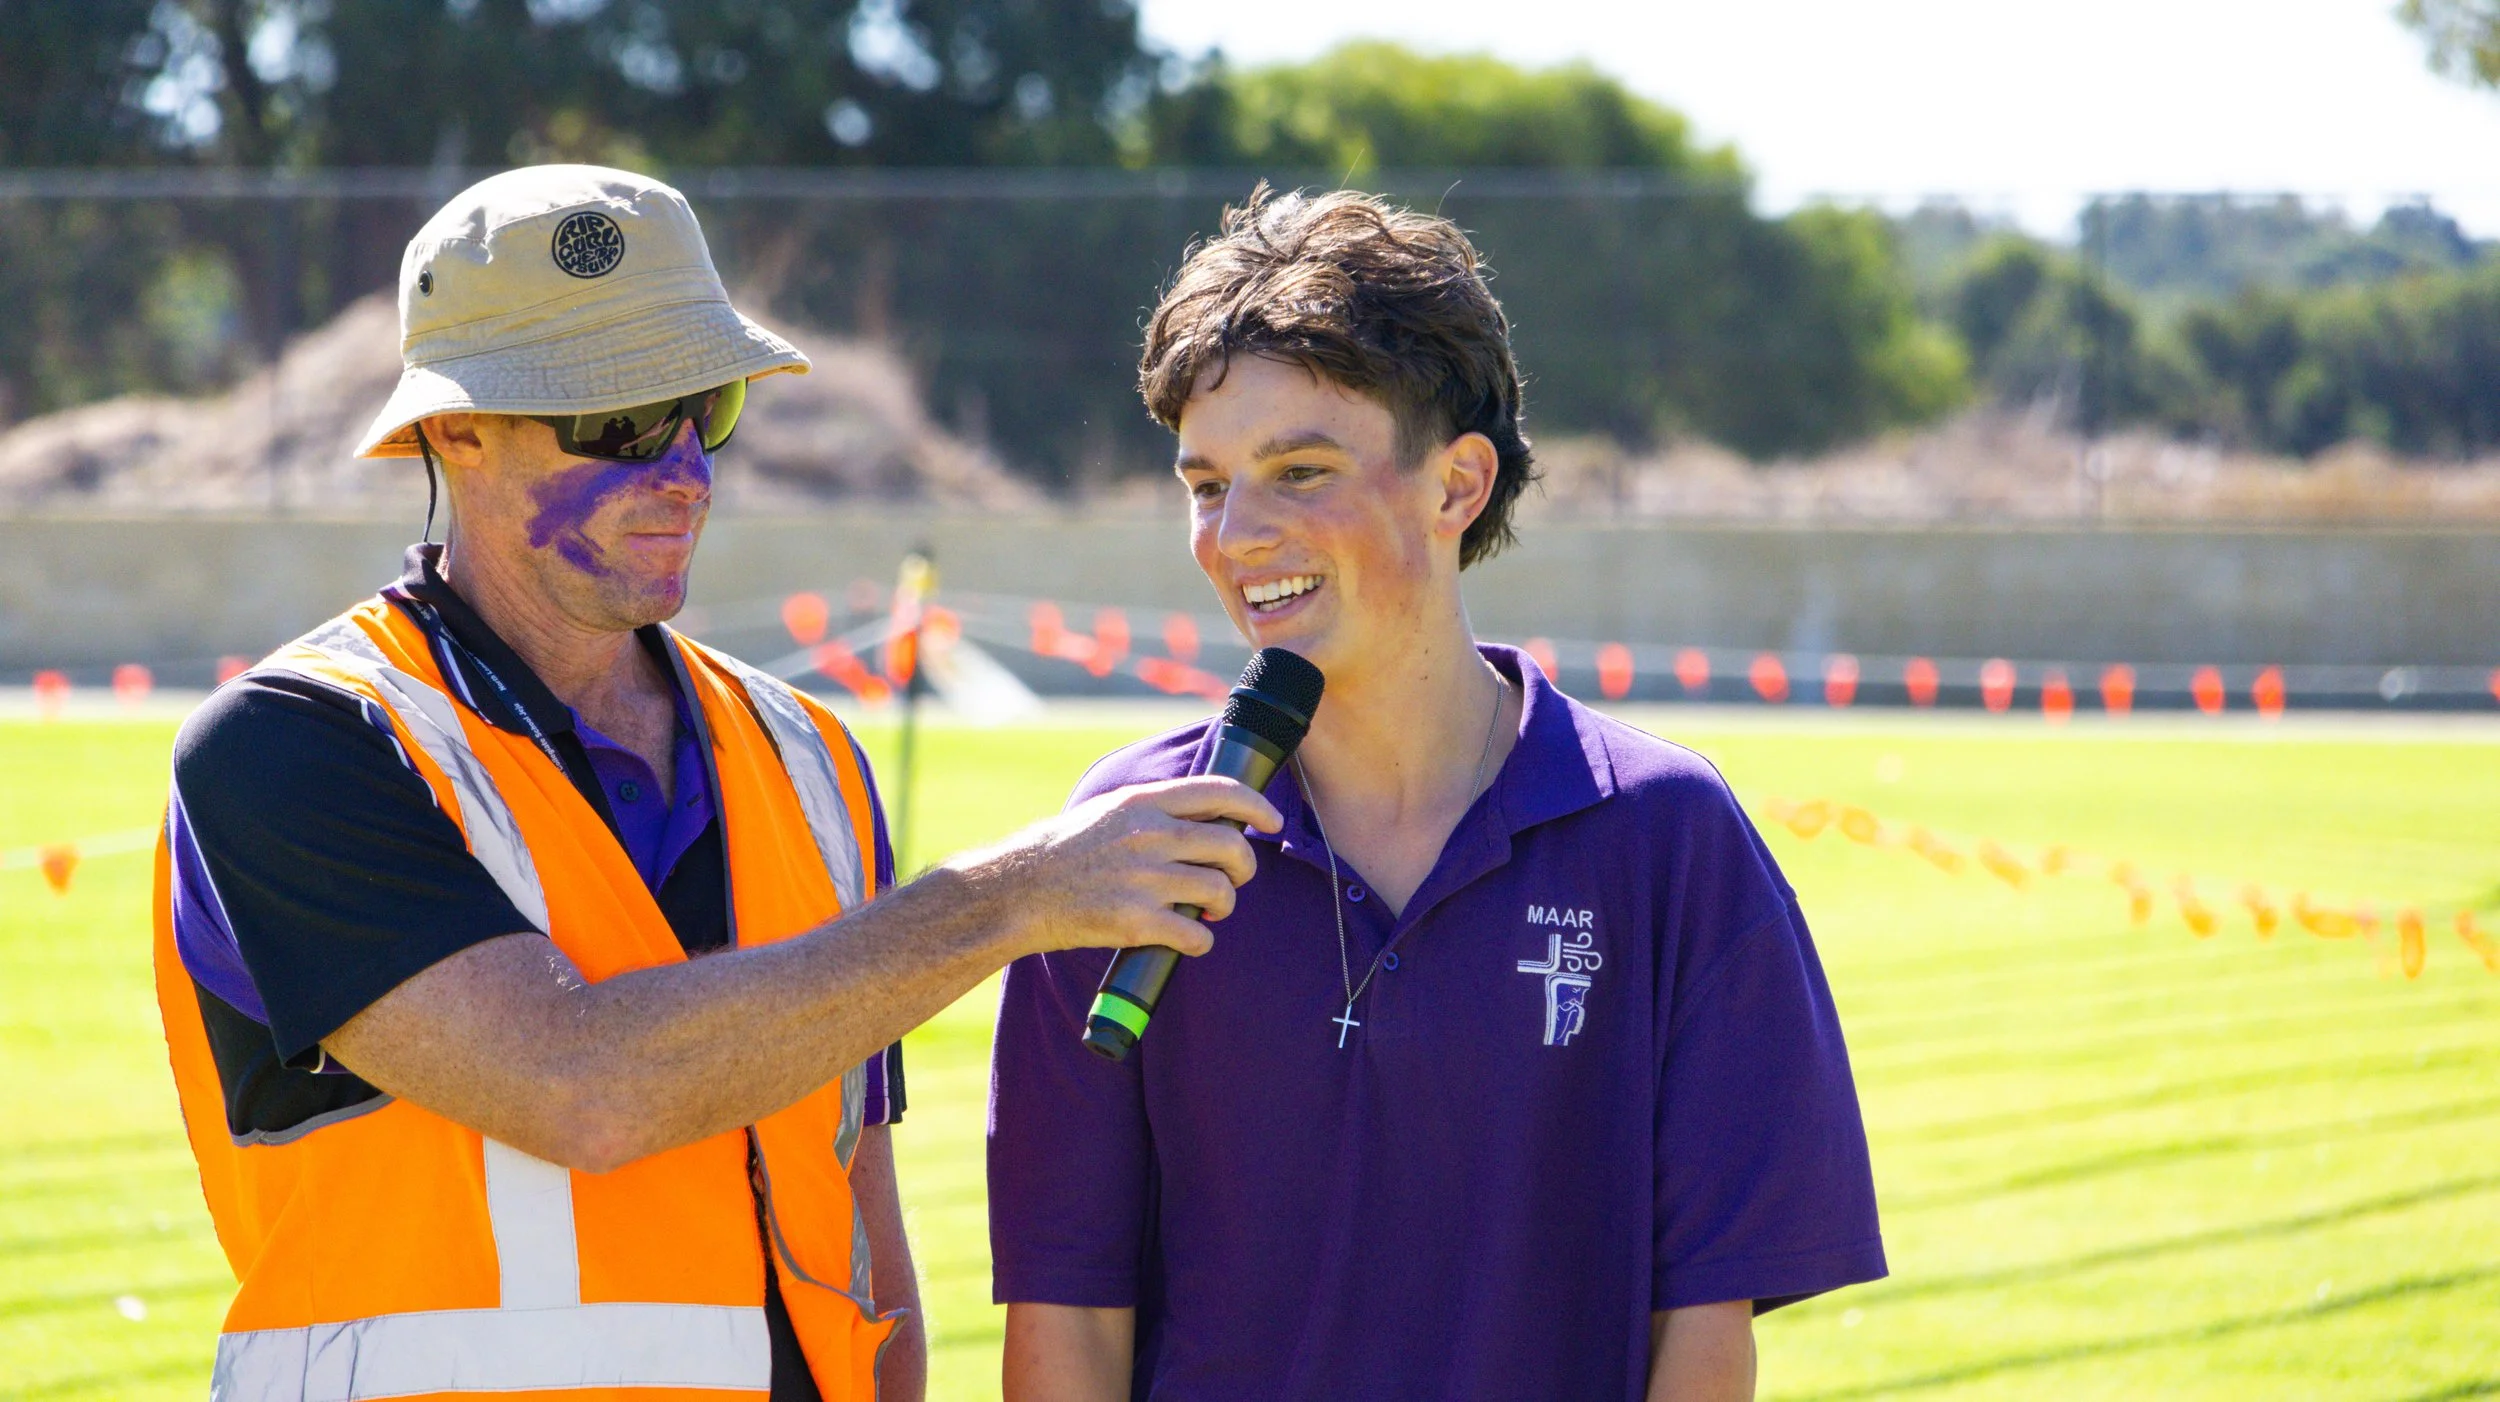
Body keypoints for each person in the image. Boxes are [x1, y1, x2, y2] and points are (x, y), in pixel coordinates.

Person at [153, 165, 1279, 1402]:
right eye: (622, 422)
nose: (685, 470)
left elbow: (860, 1223)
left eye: (706, 405)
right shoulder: (295, 742)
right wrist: (1011, 897)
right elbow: (577, 1086)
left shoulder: (806, 753)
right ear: (453, 431)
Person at [988, 188, 1886, 1401]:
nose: (1236, 533)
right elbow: (1065, 1320)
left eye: (1299, 471)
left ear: (1457, 485)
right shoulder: (1121, 839)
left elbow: (1706, 1327)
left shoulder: (1664, 833)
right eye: (1205, 484)